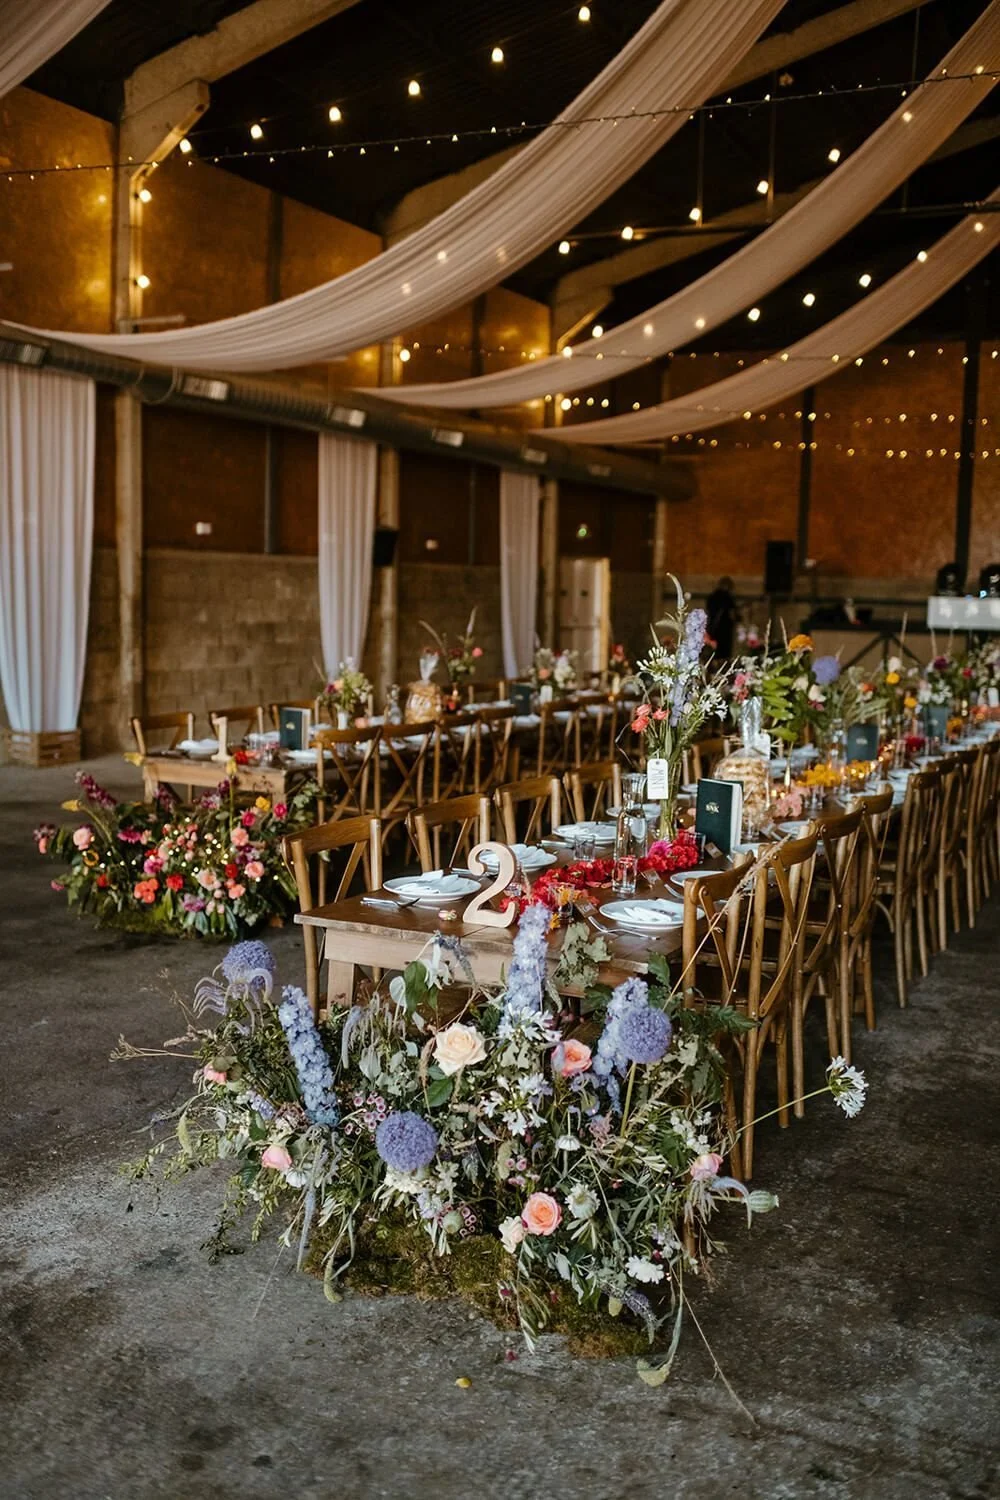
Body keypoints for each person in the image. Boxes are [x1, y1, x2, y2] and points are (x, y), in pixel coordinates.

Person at [705, 575, 738, 659]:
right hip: (724, 629)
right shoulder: (727, 597)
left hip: (713, 627)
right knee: (724, 653)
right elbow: (733, 613)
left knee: (713, 652)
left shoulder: (712, 596)